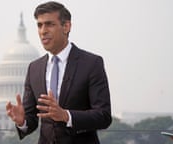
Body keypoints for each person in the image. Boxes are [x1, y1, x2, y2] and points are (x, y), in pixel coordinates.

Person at [6, 1, 112, 144]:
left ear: (66, 26)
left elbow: (103, 116)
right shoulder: (34, 69)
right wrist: (22, 121)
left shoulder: (91, 64)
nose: (43, 31)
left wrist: (66, 116)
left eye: (49, 24)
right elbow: (31, 121)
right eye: (39, 25)